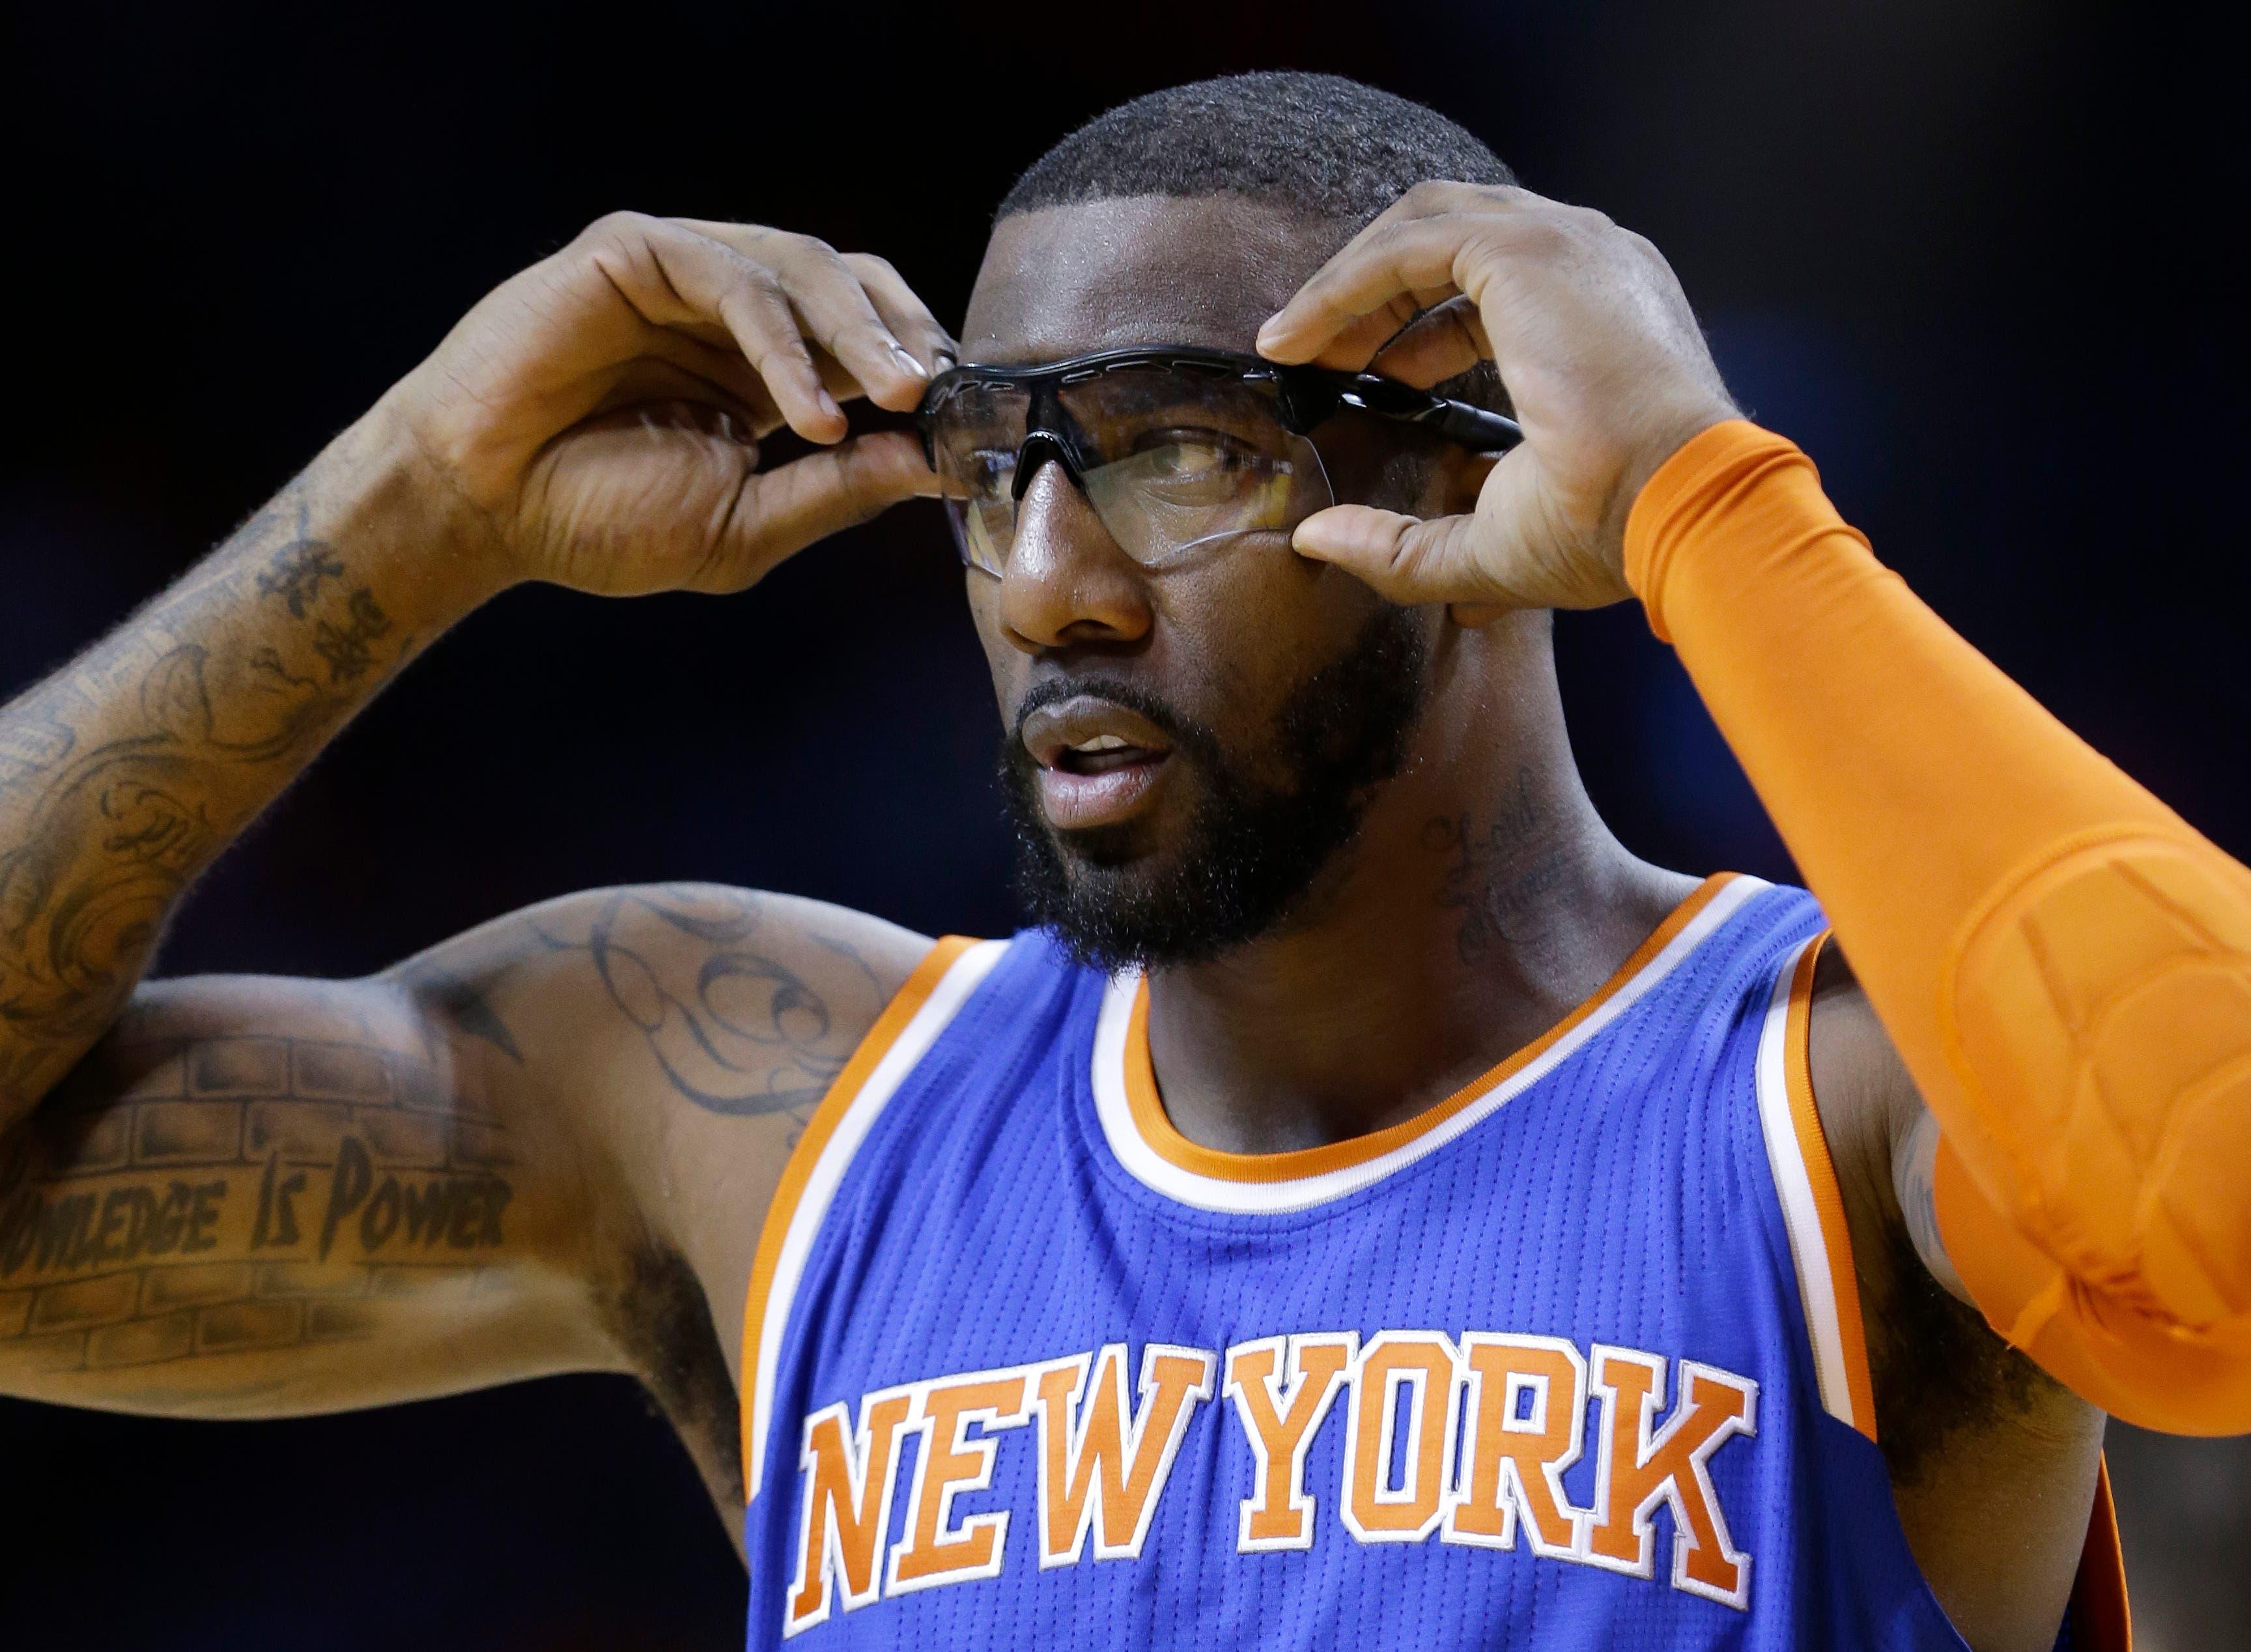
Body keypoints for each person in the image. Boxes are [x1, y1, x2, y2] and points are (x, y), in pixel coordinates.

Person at [1, 70, 2241, 1649]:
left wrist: (1703, 506)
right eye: (994, 469)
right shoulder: (753, 1105)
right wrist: (410, 508)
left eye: (1174, 450)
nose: (1051, 581)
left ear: (1474, 455)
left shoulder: (1830, 1092)